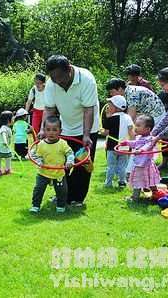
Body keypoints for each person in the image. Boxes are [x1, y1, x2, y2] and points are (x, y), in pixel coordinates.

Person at [42, 55, 99, 206]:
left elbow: (88, 109)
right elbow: (49, 109)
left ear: (69, 69)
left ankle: (77, 199)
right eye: (53, 78)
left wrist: (86, 135)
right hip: (65, 128)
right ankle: (62, 196)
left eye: (60, 77)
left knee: (82, 166)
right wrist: (44, 130)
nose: (58, 81)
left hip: (87, 127)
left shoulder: (86, 79)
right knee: (61, 164)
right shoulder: (51, 84)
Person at [29, 116, 74, 213]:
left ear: (60, 131)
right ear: (44, 131)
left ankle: (61, 206)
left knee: (62, 191)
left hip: (58, 173)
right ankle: (35, 206)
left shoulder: (62, 143)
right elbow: (37, 156)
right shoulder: (41, 144)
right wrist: (39, 161)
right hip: (43, 173)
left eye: (54, 130)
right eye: (48, 130)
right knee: (38, 189)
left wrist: (70, 162)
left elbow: (70, 153)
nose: (51, 133)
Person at [120, 115, 160, 201]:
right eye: (135, 125)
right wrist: (127, 143)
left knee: (147, 180)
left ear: (147, 129)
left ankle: (152, 195)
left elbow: (148, 145)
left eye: (138, 125)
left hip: (146, 165)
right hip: (139, 164)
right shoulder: (139, 137)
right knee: (139, 180)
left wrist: (141, 150)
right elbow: (135, 143)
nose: (136, 128)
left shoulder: (151, 139)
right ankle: (141, 196)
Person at [101, 95, 134, 188]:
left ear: (116, 107)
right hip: (124, 147)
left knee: (111, 166)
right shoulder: (128, 117)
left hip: (112, 147)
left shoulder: (111, 119)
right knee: (122, 165)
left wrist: (100, 131)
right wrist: (132, 144)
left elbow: (106, 132)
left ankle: (108, 183)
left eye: (110, 105)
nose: (108, 107)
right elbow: (131, 131)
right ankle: (122, 182)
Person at [0, 111, 14, 176]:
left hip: (6, 147)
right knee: (0, 158)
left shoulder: (8, 128)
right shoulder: (3, 128)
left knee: (8, 158)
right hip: (1, 147)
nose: (13, 119)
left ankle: (7, 169)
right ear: (8, 120)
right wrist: (5, 141)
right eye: (12, 118)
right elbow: (3, 134)